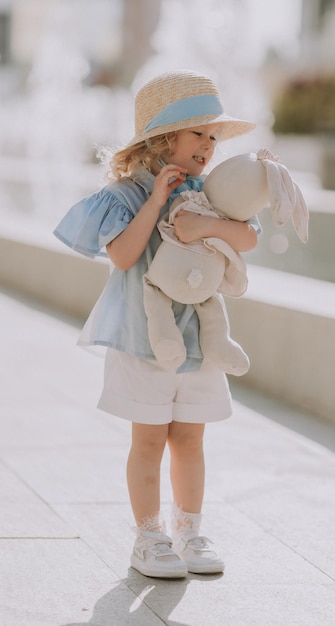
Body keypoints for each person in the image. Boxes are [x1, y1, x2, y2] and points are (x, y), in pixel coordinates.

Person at [54, 69, 258, 579]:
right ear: (164, 138)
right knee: (148, 439)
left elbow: (248, 238)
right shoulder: (124, 194)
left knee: (190, 438)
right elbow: (123, 256)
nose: (209, 146)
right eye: (199, 134)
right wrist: (156, 199)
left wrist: (207, 223)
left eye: (213, 137)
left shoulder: (209, 192)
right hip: (142, 341)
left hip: (199, 339)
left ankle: (189, 531)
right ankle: (149, 538)